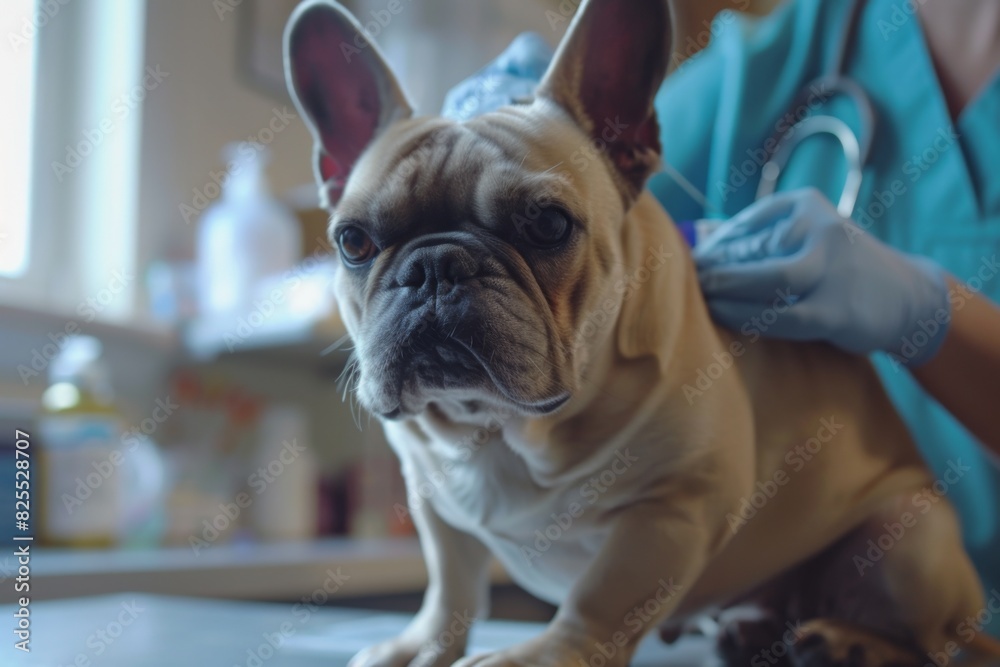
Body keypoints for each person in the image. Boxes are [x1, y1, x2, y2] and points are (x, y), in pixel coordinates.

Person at [443, 0, 1000, 637]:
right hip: (783, 624)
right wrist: (519, 140)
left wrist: (927, 314)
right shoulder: (767, 67)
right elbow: (588, 261)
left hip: (934, 595)